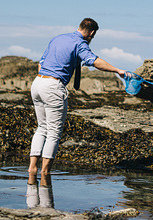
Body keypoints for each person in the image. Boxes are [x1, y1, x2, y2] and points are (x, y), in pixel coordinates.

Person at [29, 18, 127, 186]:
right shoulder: (79, 43)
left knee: (41, 128)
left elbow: (41, 63)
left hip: (37, 83)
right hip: (53, 86)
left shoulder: (58, 38)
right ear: (92, 33)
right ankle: (45, 173)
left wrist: (45, 80)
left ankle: (32, 170)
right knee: (53, 133)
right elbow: (94, 61)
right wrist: (117, 70)